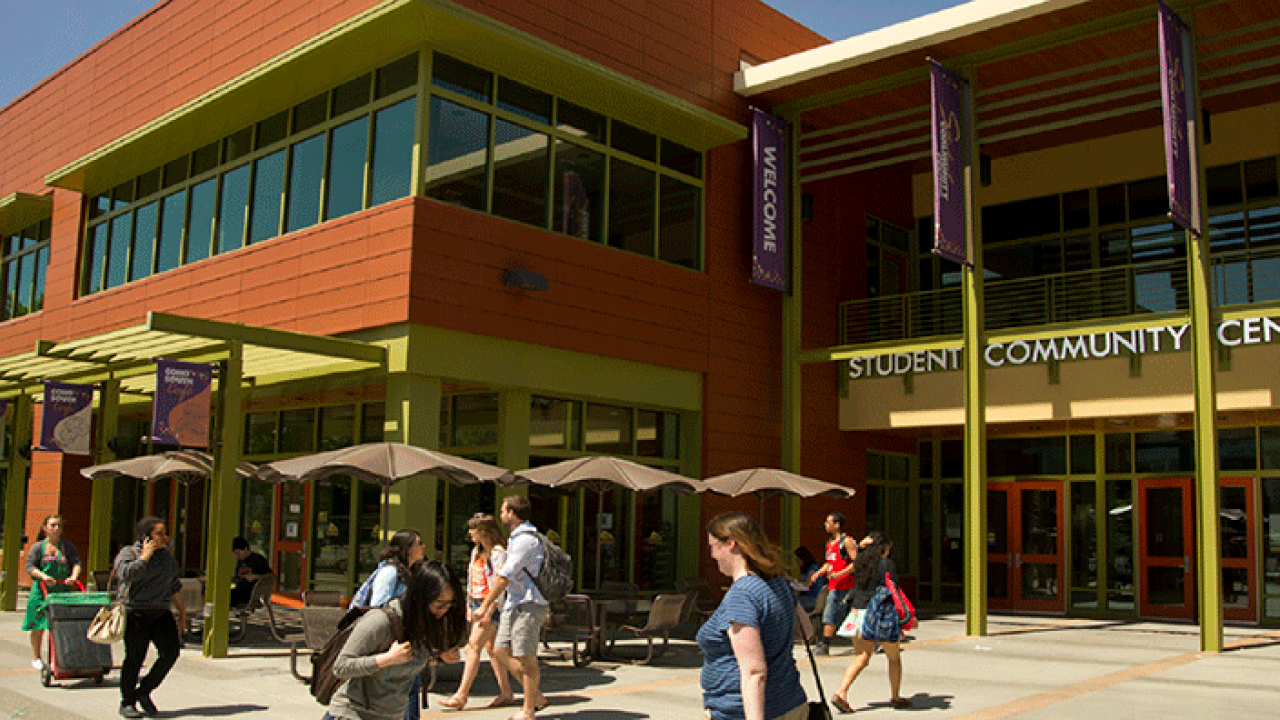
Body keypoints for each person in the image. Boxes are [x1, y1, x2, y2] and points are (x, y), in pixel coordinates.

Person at [698, 511, 808, 720]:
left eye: (711, 546)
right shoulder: (778, 583)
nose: (711, 555)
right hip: (791, 704)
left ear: (731, 543)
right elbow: (806, 632)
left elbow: (754, 672)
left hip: (742, 712)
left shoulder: (742, 594)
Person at [324, 560, 466, 720]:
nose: (444, 610)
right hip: (353, 714)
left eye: (450, 604)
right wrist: (386, 659)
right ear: (419, 597)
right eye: (439, 604)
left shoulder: (428, 622)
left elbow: (410, 660)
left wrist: (438, 656)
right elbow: (341, 667)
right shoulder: (380, 622)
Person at [475, 495, 548, 720]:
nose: (501, 514)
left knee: (526, 657)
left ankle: (528, 709)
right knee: (499, 650)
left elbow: (504, 575)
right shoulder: (516, 538)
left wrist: (485, 606)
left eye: (504, 511)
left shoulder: (526, 539)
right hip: (514, 602)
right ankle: (536, 695)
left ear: (513, 514)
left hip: (528, 603)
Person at [439, 513, 515, 710]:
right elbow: (472, 578)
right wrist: (467, 603)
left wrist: (489, 609)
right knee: (492, 650)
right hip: (476, 603)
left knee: (473, 646)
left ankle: (461, 694)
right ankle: (507, 691)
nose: (471, 533)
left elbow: (500, 585)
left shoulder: (498, 553)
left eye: (474, 529)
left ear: (483, 532)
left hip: (490, 605)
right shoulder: (476, 552)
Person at [829, 532, 911, 714]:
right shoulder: (886, 564)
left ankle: (841, 693)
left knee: (861, 657)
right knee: (894, 657)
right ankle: (895, 697)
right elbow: (894, 589)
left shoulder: (860, 561)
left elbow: (854, 560)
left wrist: (860, 545)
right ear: (884, 548)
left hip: (858, 613)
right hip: (880, 614)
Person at [351, 529, 427, 720]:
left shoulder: (411, 572)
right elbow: (378, 609)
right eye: (418, 543)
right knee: (405, 689)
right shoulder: (390, 572)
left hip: (406, 640)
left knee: (410, 687)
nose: (423, 547)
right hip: (390, 643)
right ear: (406, 548)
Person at [114, 516, 185, 719]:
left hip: (161, 612)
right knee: (135, 658)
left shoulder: (167, 559)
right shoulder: (130, 553)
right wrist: (144, 557)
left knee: (170, 653)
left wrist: (182, 612)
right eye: (159, 534)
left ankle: (143, 690)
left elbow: (174, 585)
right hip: (136, 612)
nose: (165, 538)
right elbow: (126, 574)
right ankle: (127, 702)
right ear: (147, 536)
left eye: (165, 533)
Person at [23, 514, 83, 670]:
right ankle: (36, 657)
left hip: (62, 591)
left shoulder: (68, 547)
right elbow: (30, 567)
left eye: (59, 526)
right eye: (53, 525)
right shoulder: (37, 548)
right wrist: (43, 576)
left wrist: (73, 577)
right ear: (45, 528)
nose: (56, 528)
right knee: (38, 625)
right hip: (41, 591)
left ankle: (60, 657)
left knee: (62, 627)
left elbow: (76, 563)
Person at [807, 512, 859, 655]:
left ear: (837, 525)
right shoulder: (830, 543)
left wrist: (840, 574)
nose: (825, 524)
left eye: (828, 522)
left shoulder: (847, 541)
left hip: (847, 586)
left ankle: (825, 644)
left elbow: (856, 563)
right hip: (834, 586)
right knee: (835, 614)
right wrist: (818, 573)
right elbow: (830, 563)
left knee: (839, 614)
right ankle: (825, 644)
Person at [229, 536, 272, 608]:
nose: (237, 556)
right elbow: (238, 578)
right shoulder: (240, 561)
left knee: (222, 597)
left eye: (238, 553)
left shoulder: (258, 560)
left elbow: (270, 576)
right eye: (235, 554)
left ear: (245, 549)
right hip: (240, 590)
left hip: (250, 594)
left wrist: (255, 576)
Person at [792, 546, 825, 612]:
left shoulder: (812, 569)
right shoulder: (805, 570)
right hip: (807, 597)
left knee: (791, 602)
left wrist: (795, 585)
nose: (797, 562)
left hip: (812, 599)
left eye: (798, 560)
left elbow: (806, 585)